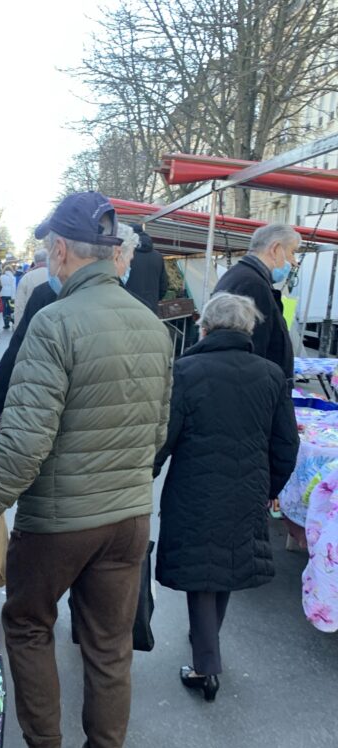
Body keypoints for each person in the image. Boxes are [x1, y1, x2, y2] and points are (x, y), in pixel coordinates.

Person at [0, 191, 173, 748]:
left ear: (61, 251)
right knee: (109, 645)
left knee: (27, 623)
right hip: (128, 518)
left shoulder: (54, 323)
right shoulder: (154, 327)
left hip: (58, 521)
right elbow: (157, 434)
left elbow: (23, 447)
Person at [153, 292, 299, 702]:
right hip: (248, 488)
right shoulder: (270, 374)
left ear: (205, 328)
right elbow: (286, 444)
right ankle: (207, 643)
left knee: (203, 570)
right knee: (226, 562)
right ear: (248, 329)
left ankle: (206, 665)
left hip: (194, 488)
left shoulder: (186, 370)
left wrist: (142, 474)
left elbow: (164, 436)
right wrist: (269, 488)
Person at [0, 224, 140, 429]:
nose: (128, 267)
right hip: (113, 424)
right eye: (129, 260)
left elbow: (17, 352)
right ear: (116, 256)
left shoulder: (46, 294)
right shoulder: (137, 311)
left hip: (57, 418)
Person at [212, 223, 300, 384]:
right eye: (292, 252)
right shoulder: (252, 284)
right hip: (254, 386)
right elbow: (252, 350)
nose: (294, 262)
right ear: (275, 249)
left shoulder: (246, 276)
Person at [123, 225, 168, 315]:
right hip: (151, 309)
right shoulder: (158, 256)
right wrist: (154, 299)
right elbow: (164, 286)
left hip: (129, 308)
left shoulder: (127, 255)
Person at [14, 248, 49, 325]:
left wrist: (18, 327)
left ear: (35, 261)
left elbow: (19, 306)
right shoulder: (57, 276)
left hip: (31, 323)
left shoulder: (26, 278)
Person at [0, 264, 16, 329]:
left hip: (3, 295)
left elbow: (0, 286)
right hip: (10, 295)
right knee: (11, 309)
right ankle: (12, 320)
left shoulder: (1, 277)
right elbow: (13, 287)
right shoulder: (13, 277)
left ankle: (6, 324)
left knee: (4, 310)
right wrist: (14, 296)